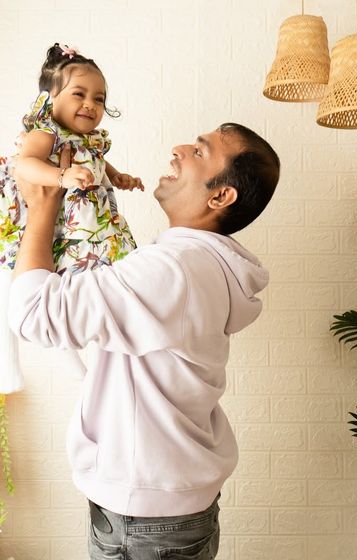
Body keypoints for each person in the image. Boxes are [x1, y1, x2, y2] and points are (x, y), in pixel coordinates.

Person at [9, 122, 280, 560]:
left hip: (144, 520)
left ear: (220, 196)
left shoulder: (173, 269)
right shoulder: (199, 264)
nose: (178, 149)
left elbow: (32, 313)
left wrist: (42, 208)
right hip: (170, 505)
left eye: (199, 151)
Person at [0, 43, 143, 393]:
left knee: (71, 284)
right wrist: (61, 177)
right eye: (79, 94)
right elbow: (25, 164)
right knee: (29, 281)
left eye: (99, 99)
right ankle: (21, 359)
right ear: (50, 99)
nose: (90, 105)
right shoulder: (46, 131)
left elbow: (99, 163)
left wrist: (118, 176)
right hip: (36, 218)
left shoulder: (89, 140)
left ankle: (73, 347)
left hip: (80, 223)